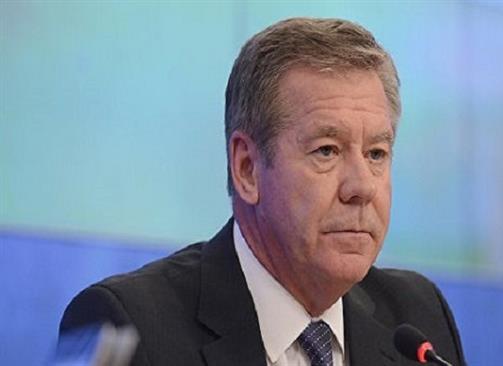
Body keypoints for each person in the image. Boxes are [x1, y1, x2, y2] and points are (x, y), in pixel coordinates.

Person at [59, 17, 466, 366]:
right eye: (327, 150)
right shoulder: (129, 325)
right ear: (247, 169)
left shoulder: (418, 314)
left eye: (377, 153)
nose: (361, 187)